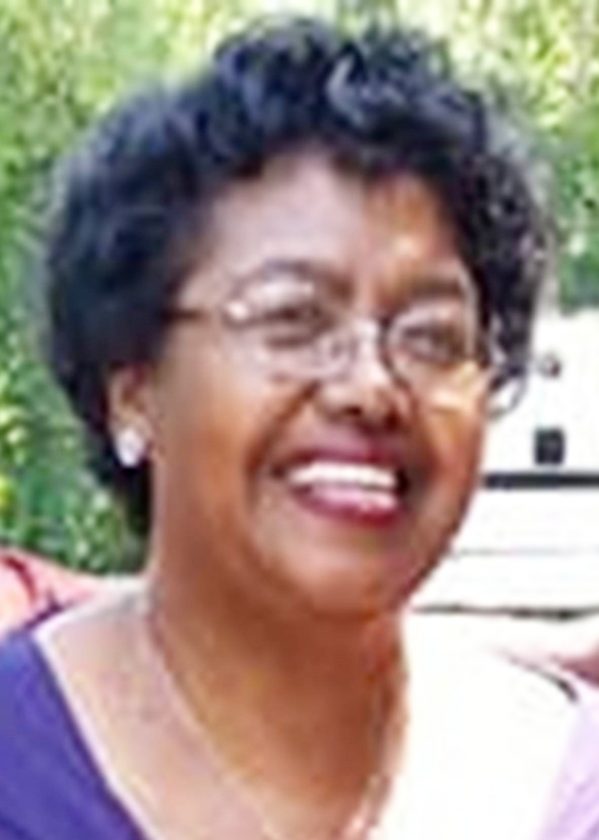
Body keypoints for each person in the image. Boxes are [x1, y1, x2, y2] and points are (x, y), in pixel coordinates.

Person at [0, 16, 598, 839]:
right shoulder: (20, 775)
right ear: (132, 388)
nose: (370, 386)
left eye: (431, 335)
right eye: (291, 320)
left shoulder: (570, 787)